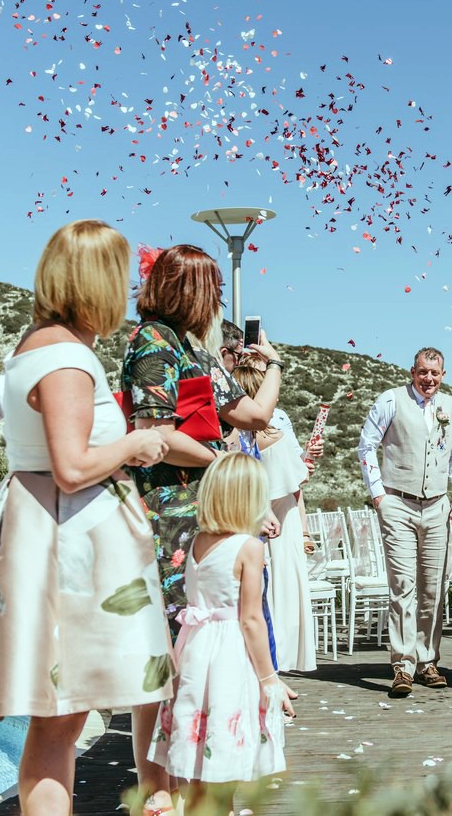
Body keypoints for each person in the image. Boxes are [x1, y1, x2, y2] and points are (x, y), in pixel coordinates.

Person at [0, 220, 175, 815]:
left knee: (60, 717)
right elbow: (73, 467)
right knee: (62, 716)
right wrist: (137, 444)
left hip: (45, 531)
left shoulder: (40, 344)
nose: (129, 287)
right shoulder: (65, 359)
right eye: (121, 274)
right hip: (66, 547)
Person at [118, 244, 285, 809]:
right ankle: (155, 793)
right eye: (212, 288)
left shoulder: (199, 350)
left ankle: (193, 779)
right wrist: (221, 464)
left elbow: (256, 416)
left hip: (212, 514)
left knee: (202, 653)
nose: (217, 299)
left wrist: (274, 364)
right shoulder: (152, 343)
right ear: (189, 290)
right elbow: (155, 432)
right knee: (167, 655)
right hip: (168, 515)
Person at [148, 453, 292, 815]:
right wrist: (269, 677)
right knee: (223, 768)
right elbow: (251, 620)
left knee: (196, 767)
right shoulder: (249, 547)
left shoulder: (197, 541)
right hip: (229, 656)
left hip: (195, 649)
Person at [356, 347, 452, 695]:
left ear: (443, 374)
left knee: (433, 587)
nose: (428, 379)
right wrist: (379, 496)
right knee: (403, 586)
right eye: (422, 372)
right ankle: (402, 665)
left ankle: (427, 661)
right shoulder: (390, 400)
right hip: (398, 504)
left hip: (436, 505)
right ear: (412, 372)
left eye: (434, 373)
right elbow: (366, 446)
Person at [233, 362, 317, 673]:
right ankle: (278, 658)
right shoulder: (277, 438)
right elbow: (297, 483)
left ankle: (263, 658)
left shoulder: (237, 442)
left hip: (250, 521)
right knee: (282, 591)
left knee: (259, 594)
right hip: (285, 523)